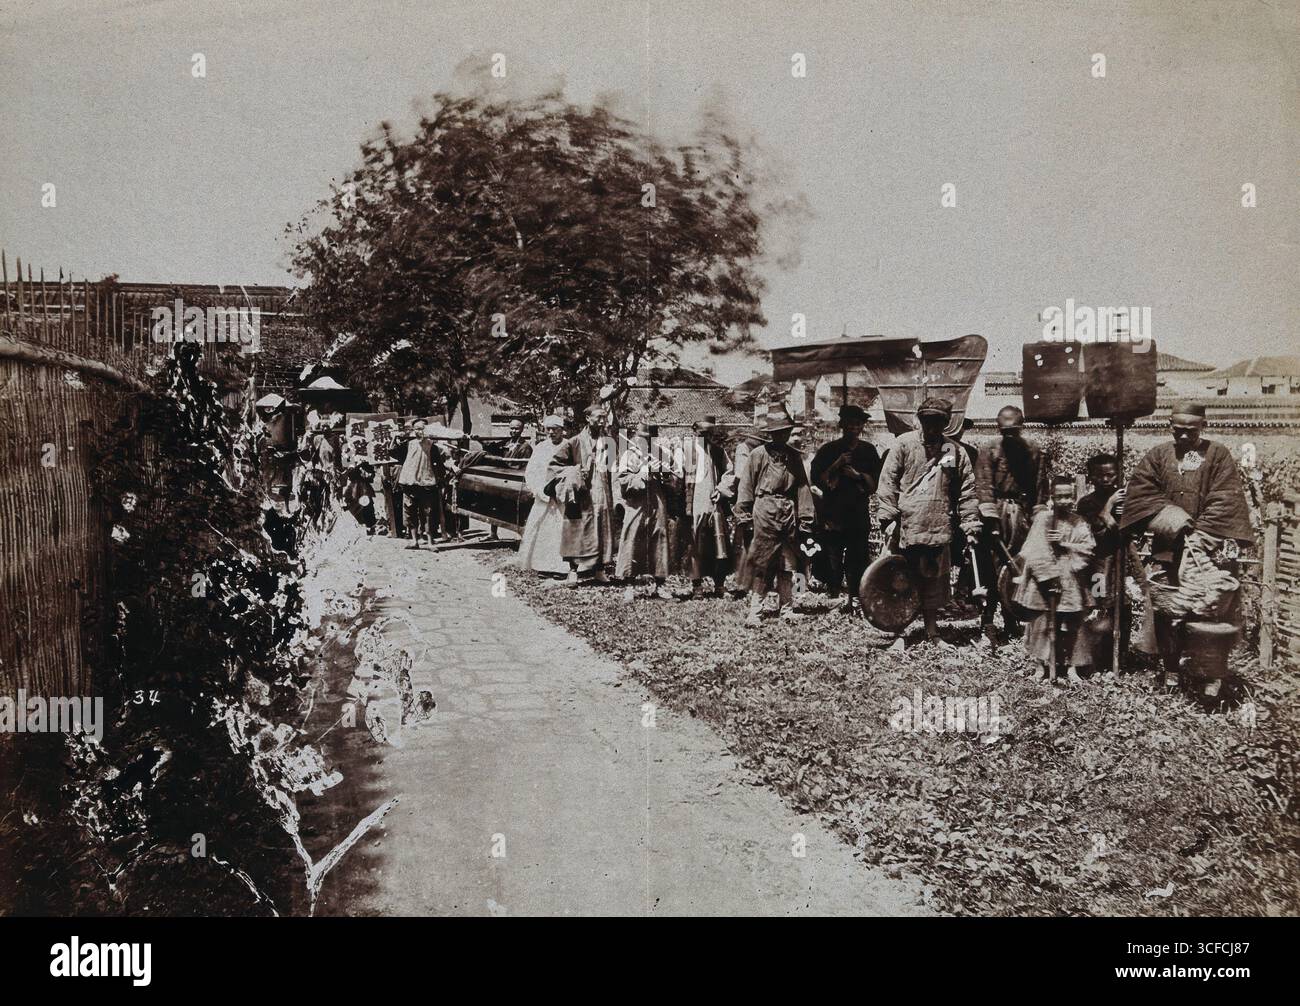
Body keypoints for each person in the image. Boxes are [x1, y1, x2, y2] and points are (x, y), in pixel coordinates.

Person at [1119, 402, 1253, 694]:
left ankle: (1210, 676)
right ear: (1171, 426)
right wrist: (1172, 519)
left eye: (1190, 432)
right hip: (1168, 548)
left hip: (1206, 551)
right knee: (1169, 611)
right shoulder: (1158, 455)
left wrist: (1201, 534)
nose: (1182, 437)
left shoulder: (1217, 455)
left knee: (1210, 610)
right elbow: (1141, 493)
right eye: (1177, 431)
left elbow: (1225, 498)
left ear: (1203, 426)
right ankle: (1170, 670)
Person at [875, 397, 981, 647]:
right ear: (919, 420)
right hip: (906, 527)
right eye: (927, 421)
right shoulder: (903, 445)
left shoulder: (953, 451)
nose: (932, 427)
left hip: (938, 526)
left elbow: (966, 489)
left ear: (945, 424)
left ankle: (932, 632)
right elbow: (888, 482)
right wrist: (888, 517)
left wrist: (970, 523)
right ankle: (901, 634)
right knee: (902, 582)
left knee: (933, 582)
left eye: (938, 422)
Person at [974, 405, 1050, 645]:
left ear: (1022, 427)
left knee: (1017, 566)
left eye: (1014, 431)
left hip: (1022, 517)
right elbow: (983, 485)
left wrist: (1038, 520)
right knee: (990, 567)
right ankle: (987, 621)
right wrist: (990, 519)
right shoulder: (988, 450)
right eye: (1005, 431)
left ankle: (1011, 617)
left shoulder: (1034, 452)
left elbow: (1040, 488)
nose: (1009, 436)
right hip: (996, 514)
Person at [735, 405, 816, 627]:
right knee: (762, 562)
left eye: (786, 432)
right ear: (770, 434)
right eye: (778, 432)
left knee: (788, 563)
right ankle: (755, 611)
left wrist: (806, 519)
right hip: (764, 511)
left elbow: (802, 488)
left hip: (787, 513)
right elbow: (746, 486)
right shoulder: (757, 455)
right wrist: (744, 515)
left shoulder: (794, 457)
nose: (782, 436)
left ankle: (787, 608)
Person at [1014, 476, 1096, 684]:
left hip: (1070, 578)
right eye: (1059, 496)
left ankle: (1071, 667)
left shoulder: (1079, 522)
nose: (1064, 501)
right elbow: (1033, 549)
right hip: (1044, 580)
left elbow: (1088, 549)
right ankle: (1041, 665)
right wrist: (1048, 576)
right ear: (1052, 497)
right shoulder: (1043, 520)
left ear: (1074, 497)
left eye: (1068, 496)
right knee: (1041, 622)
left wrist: (1065, 546)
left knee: (1074, 622)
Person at [811, 404, 882, 614]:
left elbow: (875, 483)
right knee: (832, 557)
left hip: (857, 513)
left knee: (857, 557)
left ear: (862, 426)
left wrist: (858, 476)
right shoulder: (828, 450)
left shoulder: (868, 451)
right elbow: (817, 480)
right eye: (849, 423)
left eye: (857, 423)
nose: (853, 427)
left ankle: (856, 598)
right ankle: (835, 597)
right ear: (842, 425)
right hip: (833, 513)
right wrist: (837, 464)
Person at [1075, 453, 1139, 672]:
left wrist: (1122, 514)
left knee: (1122, 608)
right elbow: (1094, 535)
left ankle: (1120, 658)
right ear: (1091, 477)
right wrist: (1108, 509)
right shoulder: (1086, 503)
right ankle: (1096, 659)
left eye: (1110, 475)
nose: (1105, 480)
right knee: (1098, 606)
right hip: (1098, 565)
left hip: (1120, 564)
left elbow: (1131, 530)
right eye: (1099, 475)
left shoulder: (1125, 500)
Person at [547, 403, 618, 586]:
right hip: (579, 494)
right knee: (576, 529)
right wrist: (576, 471)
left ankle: (599, 569)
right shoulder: (575, 442)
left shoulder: (609, 441)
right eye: (598, 417)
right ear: (588, 418)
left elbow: (612, 470)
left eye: (604, 417)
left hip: (602, 492)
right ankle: (573, 571)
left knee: (602, 529)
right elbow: (554, 466)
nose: (602, 421)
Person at [677, 416, 737, 600]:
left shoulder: (718, 451)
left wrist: (720, 489)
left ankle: (719, 585)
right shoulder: (685, 450)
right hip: (693, 505)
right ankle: (697, 587)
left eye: (709, 432)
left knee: (719, 546)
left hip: (714, 504)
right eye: (702, 432)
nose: (705, 435)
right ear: (694, 430)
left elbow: (729, 473)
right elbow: (676, 476)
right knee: (695, 546)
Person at [615, 423, 674, 596]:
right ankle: (629, 585)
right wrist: (641, 475)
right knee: (632, 536)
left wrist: (663, 474)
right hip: (637, 501)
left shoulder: (661, 453)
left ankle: (660, 584)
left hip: (657, 499)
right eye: (641, 437)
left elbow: (672, 478)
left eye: (649, 438)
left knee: (659, 536)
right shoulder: (629, 454)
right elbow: (623, 479)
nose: (645, 440)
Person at [518, 416, 569, 575]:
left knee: (560, 530)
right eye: (549, 429)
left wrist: (564, 488)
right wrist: (539, 489)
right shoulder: (541, 447)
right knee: (543, 530)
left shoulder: (569, 445)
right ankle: (542, 565)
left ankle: (561, 567)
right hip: (544, 495)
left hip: (562, 495)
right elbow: (531, 471)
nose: (552, 432)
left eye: (556, 429)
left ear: (562, 429)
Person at [397, 423, 447, 549]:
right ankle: (415, 541)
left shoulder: (432, 447)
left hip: (427, 484)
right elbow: (393, 452)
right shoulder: (408, 445)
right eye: (416, 429)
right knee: (410, 512)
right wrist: (395, 438)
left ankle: (430, 541)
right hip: (410, 483)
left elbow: (440, 465)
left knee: (428, 514)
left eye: (422, 429)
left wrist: (441, 477)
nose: (419, 431)